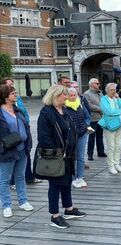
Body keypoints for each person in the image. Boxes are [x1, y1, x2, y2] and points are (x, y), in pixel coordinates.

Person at [35, 85, 85, 229]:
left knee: (67, 181)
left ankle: (69, 209)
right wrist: (57, 152)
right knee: (55, 185)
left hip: (68, 154)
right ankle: (55, 216)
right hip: (56, 156)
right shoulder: (46, 113)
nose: (67, 96)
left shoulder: (63, 110)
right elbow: (43, 137)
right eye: (64, 94)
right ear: (56, 96)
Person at [0, 84, 34, 218]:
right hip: (7, 151)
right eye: (13, 93)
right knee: (5, 179)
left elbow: (25, 126)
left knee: (20, 176)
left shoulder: (17, 110)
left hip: (22, 149)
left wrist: (28, 143)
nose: (16, 95)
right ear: (5, 96)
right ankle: (6, 205)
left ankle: (23, 201)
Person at [98, 83, 121, 175]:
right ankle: (111, 165)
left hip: (119, 124)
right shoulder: (104, 99)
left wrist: (118, 99)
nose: (113, 91)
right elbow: (108, 111)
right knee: (111, 146)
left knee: (118, 146)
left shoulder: (116, 99)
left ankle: (117, 163)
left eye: (114, 89)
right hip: (110, 125)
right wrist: (119, 112)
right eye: (111, 90)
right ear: (107, 91)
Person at [65, 87, 91, 188]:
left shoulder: (80, 104)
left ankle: (80, 177)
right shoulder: (64, 106)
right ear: (67, 96)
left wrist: (85, 125)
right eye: (70, 95)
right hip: (71, 135)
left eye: (74, 95)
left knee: (80, 157)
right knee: (71, 156)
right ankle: (72, 177)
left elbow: (87, 117)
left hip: (82, 133)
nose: (72, 97)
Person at [84, 78, 106, 161]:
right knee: (91, 136)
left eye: (98, 83)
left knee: (100, 136)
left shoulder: (100, 93)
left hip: (100, 118)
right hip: (91, 119)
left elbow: (104, 101)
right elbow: (89, 105)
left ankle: (101, 152)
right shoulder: (86, 94)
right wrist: (101, 109)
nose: (99, 85)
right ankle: (90, 154)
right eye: (97, 83)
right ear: (91, 84)